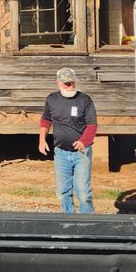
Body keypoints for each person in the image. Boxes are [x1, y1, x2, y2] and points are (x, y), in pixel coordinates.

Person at [38, 67, 98, 213]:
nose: (70, 86)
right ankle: (68, 220)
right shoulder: (52, 99)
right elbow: (46, 120)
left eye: (72, 82)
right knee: (62, 192)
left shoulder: (85, 100)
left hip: (81, 153)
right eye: (66, 83)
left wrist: (84, 140)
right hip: (61, 153)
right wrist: (42, 140)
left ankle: (87, 222)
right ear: (58, 82)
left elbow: (92, 125)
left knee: (83, 192)